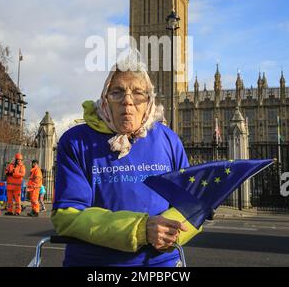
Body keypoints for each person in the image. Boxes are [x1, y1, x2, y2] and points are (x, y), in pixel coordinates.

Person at [52, 52, 202, 267]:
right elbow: (68, 216)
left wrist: (168, 233)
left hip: (160, 265)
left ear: (149, 100)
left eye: (138, 93)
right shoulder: (77, 141)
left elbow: (193, 206)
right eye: (117, 92)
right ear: (105, 98)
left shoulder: (168, 139)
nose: (128, 101)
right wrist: (140, 229)